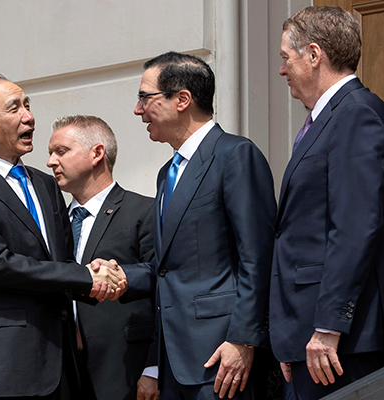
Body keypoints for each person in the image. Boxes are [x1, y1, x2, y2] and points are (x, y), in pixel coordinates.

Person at [0, 71, 125, 400]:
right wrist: (85, 276)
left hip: (57, 363)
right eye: (14, 108)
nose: (29, 116)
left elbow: (60, 263)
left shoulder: (45, 184)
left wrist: (99, 277)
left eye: (28, 105)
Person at [99, 51, 276, 400]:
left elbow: (258, 256)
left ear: (182, 99)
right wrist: (121, 275)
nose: (137, 110)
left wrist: (243, 339)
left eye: (145, 98)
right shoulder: (168, 173)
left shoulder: (235, 155)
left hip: (222, 357)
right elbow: (171, 267)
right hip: (175, 359)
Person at [268, 6, 384, 399]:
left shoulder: (356, 115)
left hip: (339, 341)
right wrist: (290, 334)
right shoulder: (331, 117)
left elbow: (355, 227)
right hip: (309, 334)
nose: (281, 70)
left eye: (286, 57)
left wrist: (328, 326)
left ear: (314, 55)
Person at [47, 115, 159, 400]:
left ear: (97, 153)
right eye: (50, 153)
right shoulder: (52, 224)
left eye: (61, 151)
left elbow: (166, 288)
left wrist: (154, 367)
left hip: (125, 372)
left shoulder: (144, 212)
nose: (50, 162)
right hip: (62, 377)